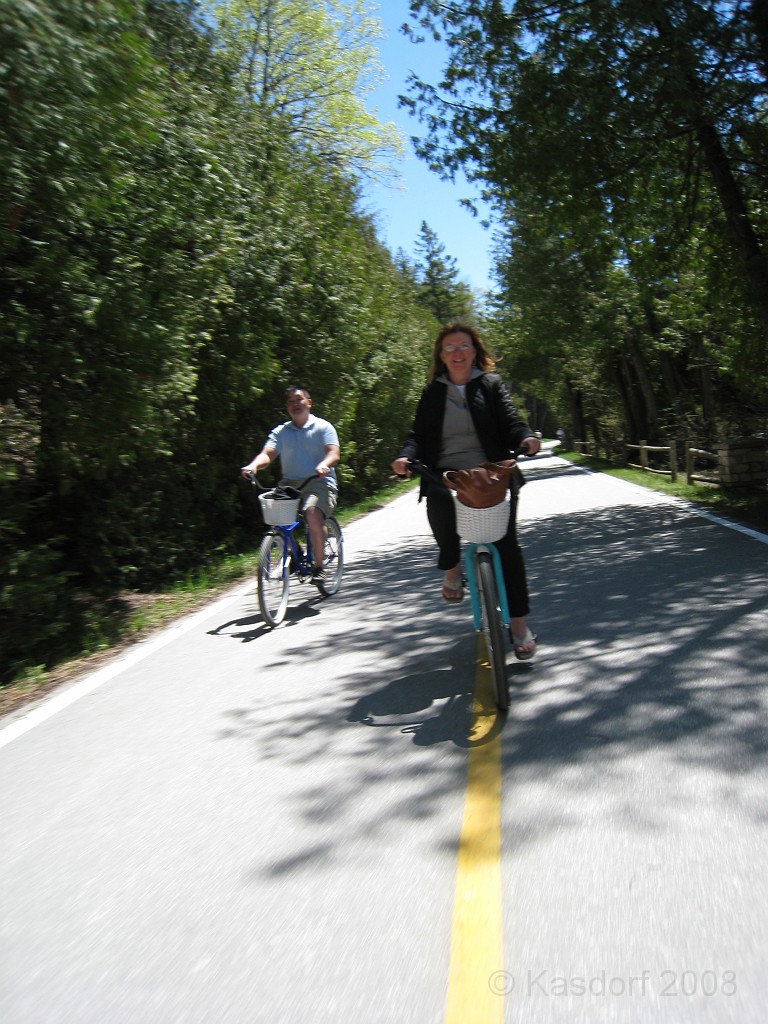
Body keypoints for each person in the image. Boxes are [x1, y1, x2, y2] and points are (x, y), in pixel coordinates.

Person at [391, 323, 541, 659]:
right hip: (447, 474)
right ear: (441, 356)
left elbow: (511, 421)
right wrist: (405, 456)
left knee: (507, 546)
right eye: (450, 348)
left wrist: (525, 437)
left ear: (474, 352)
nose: (457, 352)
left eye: (464, 346)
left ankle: (519, 625)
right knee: (438, 500)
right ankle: (452, 567)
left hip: (491, 472)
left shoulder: (490, 384)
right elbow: (417, 436)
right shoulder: (432, 393)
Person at [242, 385, 340, 583]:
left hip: (319, 481)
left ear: (309, 402)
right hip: (290, 484)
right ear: (287, 407)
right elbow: (267, 454)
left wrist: (324, 464)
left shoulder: (323, 427)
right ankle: (294, 552)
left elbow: (333, 453)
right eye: (290, 401)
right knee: (274, 514)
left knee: (312, 513)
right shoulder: (281, 432)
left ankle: (319, 567)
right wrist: (253, 466)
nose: (295, 404)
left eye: (299, 399)